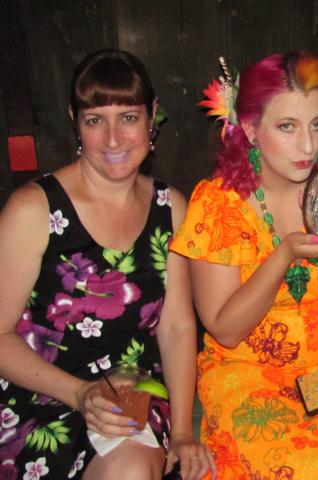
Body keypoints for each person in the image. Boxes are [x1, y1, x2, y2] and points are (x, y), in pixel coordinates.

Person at [170, 52, 318, 479]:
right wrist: (285, 255)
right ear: (250, 130)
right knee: (288, 467)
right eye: (287, 126)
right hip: (248, 373)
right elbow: (225, 329)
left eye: (317, 124)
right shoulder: (218, 204)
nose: (308, 146)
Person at [0, 49, 215, 480]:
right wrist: (79, 393)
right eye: (96, 120)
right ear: (75, 121)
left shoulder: (169, 207)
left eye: (129, 118)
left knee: (132, 469)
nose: (113, 139)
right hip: (39, 395)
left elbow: (177, 327)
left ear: (152, 117)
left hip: (131, 395)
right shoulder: (34, 210)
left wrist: (182, 434)